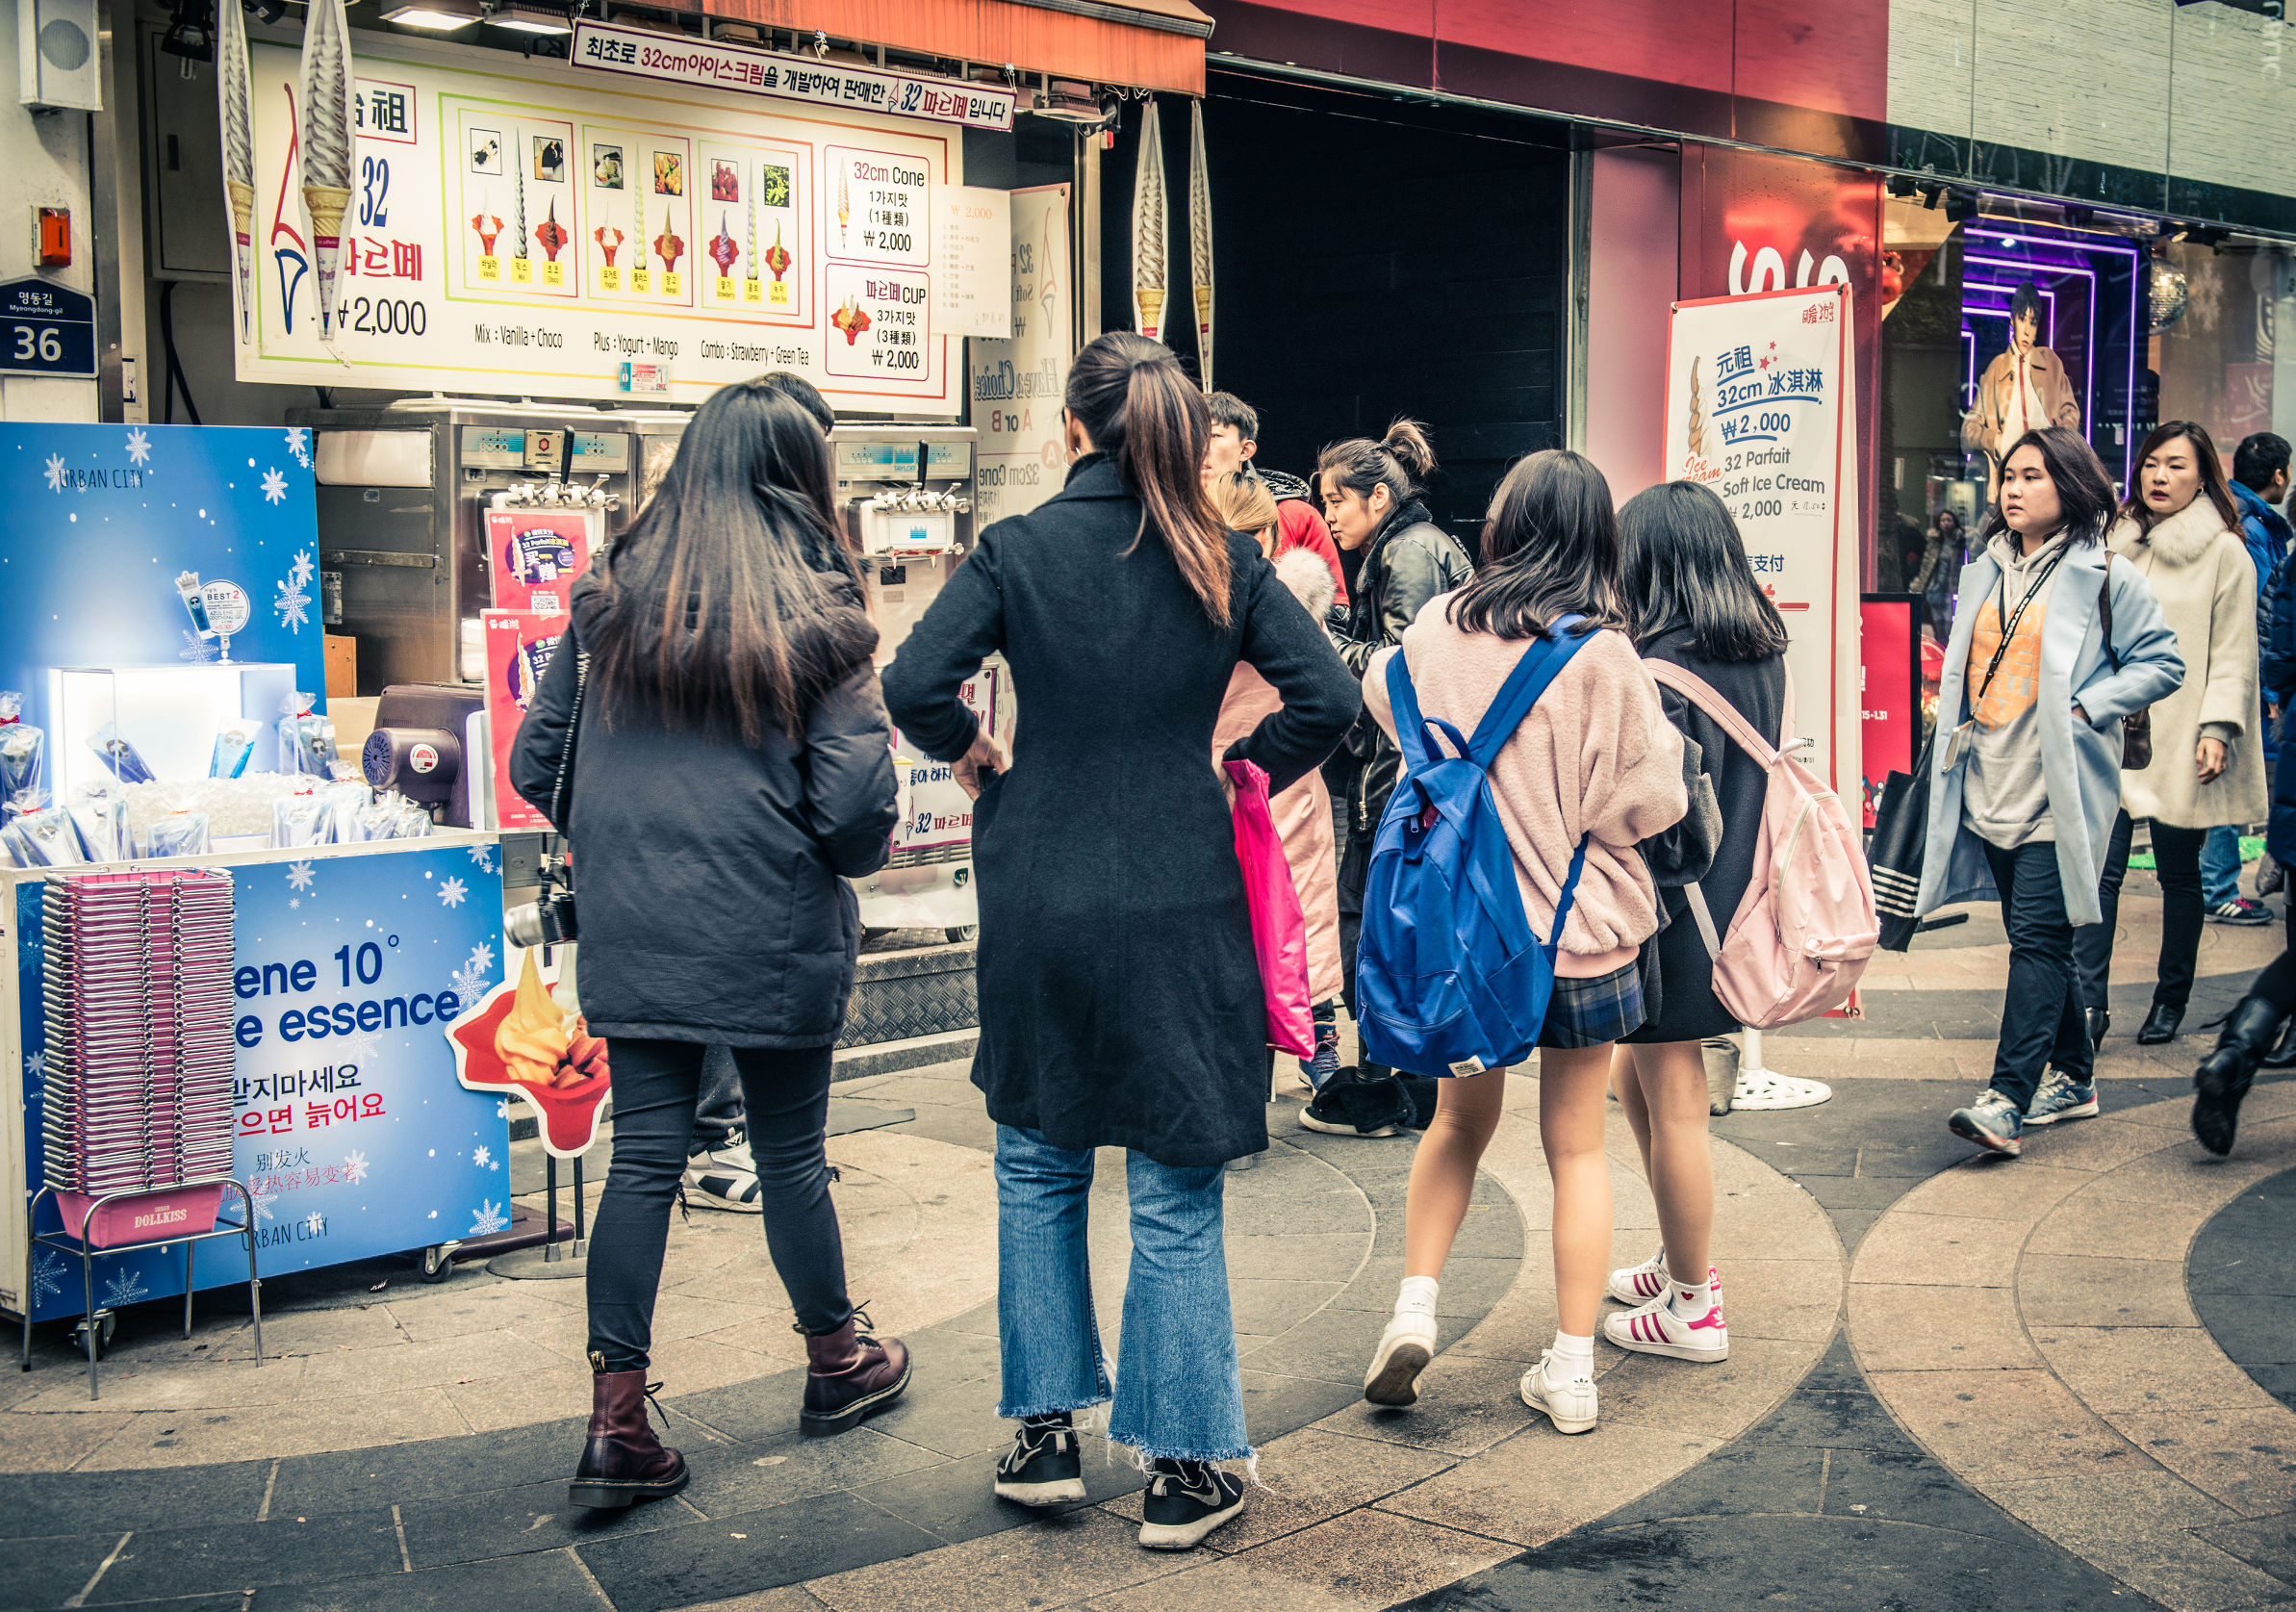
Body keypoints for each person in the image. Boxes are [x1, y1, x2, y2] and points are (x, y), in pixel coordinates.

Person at [880, 333, 1359, 1551]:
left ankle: (1044, 1438)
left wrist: (975, 754)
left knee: (1037, 1163)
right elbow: (1331, 698)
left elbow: (915, 679)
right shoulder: (1222, 558)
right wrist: (1246, 768)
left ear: (1072, 430)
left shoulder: (1017, 549)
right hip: (1179, 888)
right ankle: (1185, 1465)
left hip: (1038, 881)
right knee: (1172, 1184)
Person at [510, 374, 908, 1509]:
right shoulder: (824, 620)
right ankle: (837, 1362)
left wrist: (631, 840)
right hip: (771, 928)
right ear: (801, 477)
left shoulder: (607, 606)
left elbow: (539, 762)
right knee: (787, 1156)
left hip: (636, 934)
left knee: (642, 1161)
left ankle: (616, 1424)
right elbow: (852, 814)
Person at [1353, 449, 1688, 1432]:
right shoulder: (1600, 656)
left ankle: (1412, 1307)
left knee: (1456, 1124)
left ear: (1497, 526)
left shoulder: (1430, 630)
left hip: (1461, 941)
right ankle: (1573, 1369)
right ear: (1597, 538)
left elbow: (1382, 697)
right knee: (1576, 1147)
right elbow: (1645, 802)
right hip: (1577, 940)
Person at [1917, 427, 2183, 1157]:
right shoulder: (1987, 568)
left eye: (2032, 475)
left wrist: (2090, 704)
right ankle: (2076, 1074)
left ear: (2068, 484)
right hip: (1989, 780)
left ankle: (2007, 1096)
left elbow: (2164, 662)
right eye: (2008, 475)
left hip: (2058, 795)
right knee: (2041, 939)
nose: (2012, 488)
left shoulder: (2104, 575)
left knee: (2036, 939)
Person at [1605, 479, 1789, 1365]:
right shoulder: (1758, 648)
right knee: (1637, 1082)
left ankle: (1694, 1303)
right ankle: (1683, 1257)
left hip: (1677, 912)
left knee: (1670, 1096)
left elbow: (1658, 811)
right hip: (1729, 900)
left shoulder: (1658, 670)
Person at [2076, 422, 2267, 1047]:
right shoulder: (2116, 543)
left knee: (2178, 874)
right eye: (2151, 463)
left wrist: (2218, 727)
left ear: (2203, 476)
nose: (2159, 476)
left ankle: (2170, 997)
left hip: (2182, 734)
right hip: (2112, 729)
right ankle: (2089, 1006)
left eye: (2176, 465)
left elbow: (2235, 651)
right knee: (2100, 871)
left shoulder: (2226, 552)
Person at [1315, 421, 1474, 1138]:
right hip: (1423, 776)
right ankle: (1406, 1083)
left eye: (1336, 501)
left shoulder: (1407, 552)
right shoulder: (1415, 543)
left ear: (1378, 496)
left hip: (1403, 779)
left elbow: (1406, 670)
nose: (1329, 516)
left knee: (1377, 931)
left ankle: (1387, 1087)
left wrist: (1328, 641)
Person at [1208, 471, 1345, 1094]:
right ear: (1268, 533)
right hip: (1283, 779)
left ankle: (1243, 1079)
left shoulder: (1188, 604)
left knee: (1232, 926)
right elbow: (1330, 693)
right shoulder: (1288, 605)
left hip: (1209, 785)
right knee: (1301, 916)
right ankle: (1318, 1047)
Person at [2210, 432, 2296, 928]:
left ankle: (2213, 881)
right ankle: (2218, 886)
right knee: (2228, 771)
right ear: (2278, 474)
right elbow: (2258, 613)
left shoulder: (2239, 515)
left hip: (2240, 669)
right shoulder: (2254, 528)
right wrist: (2266, 692)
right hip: (2245, 673)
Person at [1203, 392, 1348, 605]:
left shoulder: (1295, 514)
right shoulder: (1162, 514)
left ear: (1246, 449)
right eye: (1189, 433)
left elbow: (1335, 611)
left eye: (1213, 435)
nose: (1197, 444)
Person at [1962, 282, 2080, 502]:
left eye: (2033, 323)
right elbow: (1967, 432)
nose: (2027, 330)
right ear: (2012, 322)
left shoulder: (2051, 363)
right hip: (2007, 483)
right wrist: (1994, 440)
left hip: (2046, 477)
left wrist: (2054, 444)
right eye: (2022, 320)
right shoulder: (1996, 369)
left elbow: (2071, 414)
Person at [1912, 508, 1967, 641]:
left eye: (1949, 520)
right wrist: (1920, 585)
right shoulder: (1935, 542)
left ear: (1954, 522)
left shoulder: (1959, 542)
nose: (1946, 523)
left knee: (1949, 621)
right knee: (1937, 623)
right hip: (1935, 587)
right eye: (1943, 520)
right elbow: (1926, 566)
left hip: (1951, 586)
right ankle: (1941, 647)